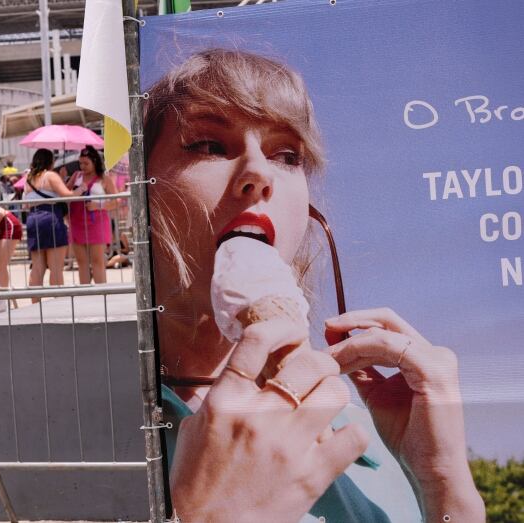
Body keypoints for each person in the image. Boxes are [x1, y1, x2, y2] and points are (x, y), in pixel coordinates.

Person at [144, 49, 484, 522]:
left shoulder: (367, 425)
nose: (258, 174)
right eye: (208, 146)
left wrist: (442, 480)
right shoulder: (90, 430)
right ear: (141, 191)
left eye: (286, 155)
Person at [23, 149, 85, 300]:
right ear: (51, 161)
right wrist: (82, 188)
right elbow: (68, 195)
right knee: (55, 268)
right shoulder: (50, 175)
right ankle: (58, 304)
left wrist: (63, 180)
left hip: (33, 219)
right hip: (51, 218)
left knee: (37, 267)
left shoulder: (29, 179)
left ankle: (35, 305)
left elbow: (26, 204)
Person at [65, 146, 117, 284]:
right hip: (76, 221)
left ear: (95, 162)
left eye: (86, 163)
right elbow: (65, 193)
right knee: (81, 262)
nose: (83, 166)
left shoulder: (104, 178)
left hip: (97, 222)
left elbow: (116, 201)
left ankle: (102, 294)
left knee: (97, 261)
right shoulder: (76, 176)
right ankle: (86, 295)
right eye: (80, 163)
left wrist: (99, 206)